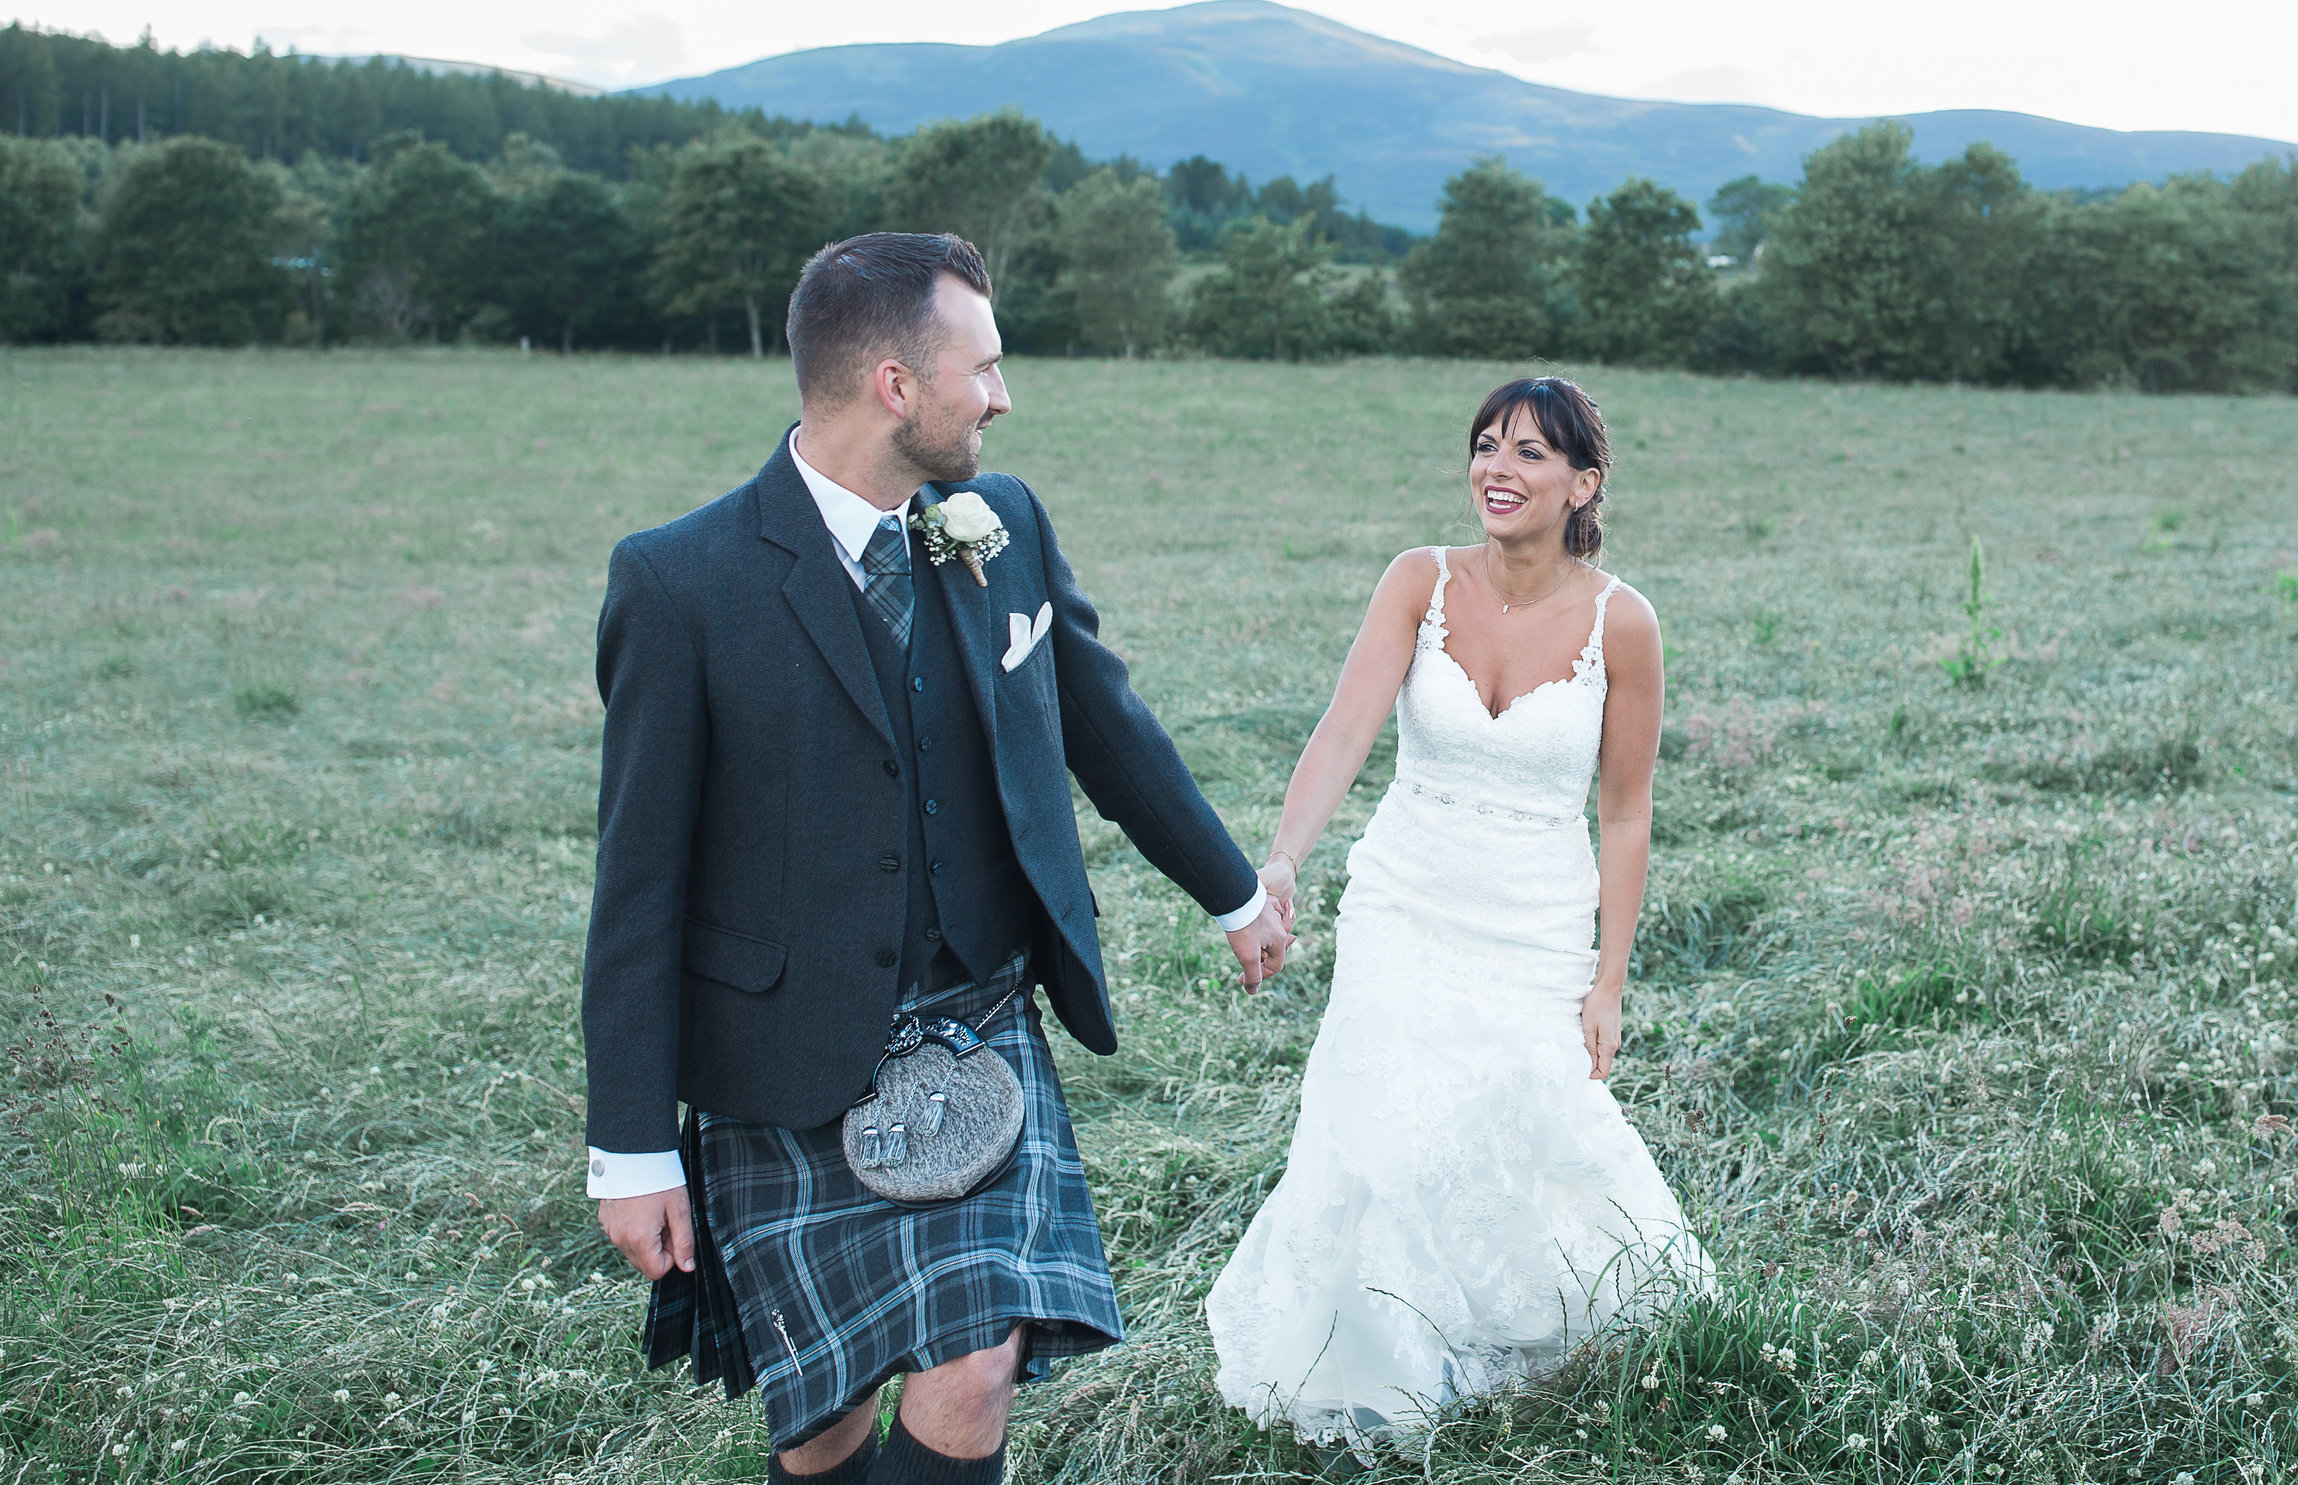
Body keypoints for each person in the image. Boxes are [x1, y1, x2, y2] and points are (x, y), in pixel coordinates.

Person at [580, 231, 1293, 1485]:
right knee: (825, 1426)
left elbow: (1100, 721)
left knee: (972, 1371)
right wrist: (631, 1149)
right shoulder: (680, 581)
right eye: (986, 367)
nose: (1004, 398)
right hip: (783, 1059)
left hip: (978, 1018)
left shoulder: (997, 521)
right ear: (895, 387)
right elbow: (637, 885)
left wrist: (1232, 890)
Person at [1205, 376, 1714, 1448]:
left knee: (1515, 1122)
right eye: (1487, 445)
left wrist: (1607, 982)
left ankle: (1520, 1321)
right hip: (1403, 894)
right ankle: (1384, 1360)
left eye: (1531, 453)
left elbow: (1624, 814)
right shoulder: (1416, 581)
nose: (1498, 467)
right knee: (1379, 1117)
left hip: (1535, 917)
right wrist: (1285, 861)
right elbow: (1345, 730)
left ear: (1583, 482)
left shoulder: (1623, 622)